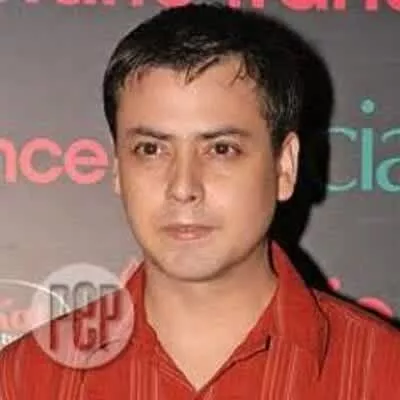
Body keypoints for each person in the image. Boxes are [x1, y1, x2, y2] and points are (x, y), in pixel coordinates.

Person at [1, 3, 399, 399]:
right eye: (151, 149)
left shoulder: (383, 373)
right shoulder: (26, 382)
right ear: (118, 168)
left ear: (284, 166)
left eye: (221, 149)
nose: (183, 186)